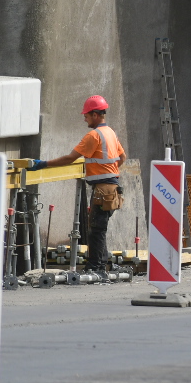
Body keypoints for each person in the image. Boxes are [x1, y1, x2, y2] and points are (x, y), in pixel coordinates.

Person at [33, 95, 126, 275]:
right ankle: (102, 265)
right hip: (112, 188)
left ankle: (95, 267)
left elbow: (70, 158)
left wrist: (44, 164)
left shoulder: (93, 136)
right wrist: (110, 172)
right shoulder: (111, 133)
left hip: (102, 189)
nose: (84, 118)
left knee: (96, 230)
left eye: (87, 115)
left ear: (96, 115)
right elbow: (122, 158)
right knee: (100, 228)